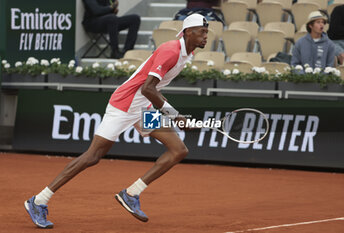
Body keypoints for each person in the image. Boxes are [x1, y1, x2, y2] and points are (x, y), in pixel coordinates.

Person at [24, 13, 209, 228]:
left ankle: (131, 193)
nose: (206, 36)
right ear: (188, 32)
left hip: (143, 108)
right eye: (202, 32)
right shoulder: (171, 50)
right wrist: (174, 115)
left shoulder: (188, 54)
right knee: (92, 156)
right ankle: (38, 200)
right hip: (124, 105)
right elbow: (147, 87)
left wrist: (175, 116)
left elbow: (153, 90)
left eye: (207, 32)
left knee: (178, 149)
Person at [327, 0, 344, 65]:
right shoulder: (338, 10)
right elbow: (334, 30)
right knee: (342, 55)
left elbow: (338, 29)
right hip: (334, 41)